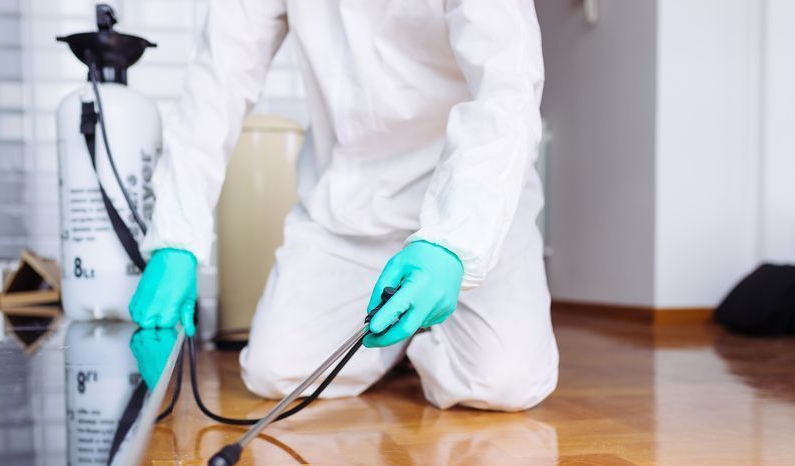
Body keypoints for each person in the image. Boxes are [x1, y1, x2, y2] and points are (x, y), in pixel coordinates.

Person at [128, 0, 558, 411]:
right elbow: (215, 85)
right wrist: (176, 238)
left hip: (468, 192)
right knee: (275, 372)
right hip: (349, 206)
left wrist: (453, 242)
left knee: (504, 382)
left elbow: (506, 89)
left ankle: (422, 324)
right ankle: (400, 344)